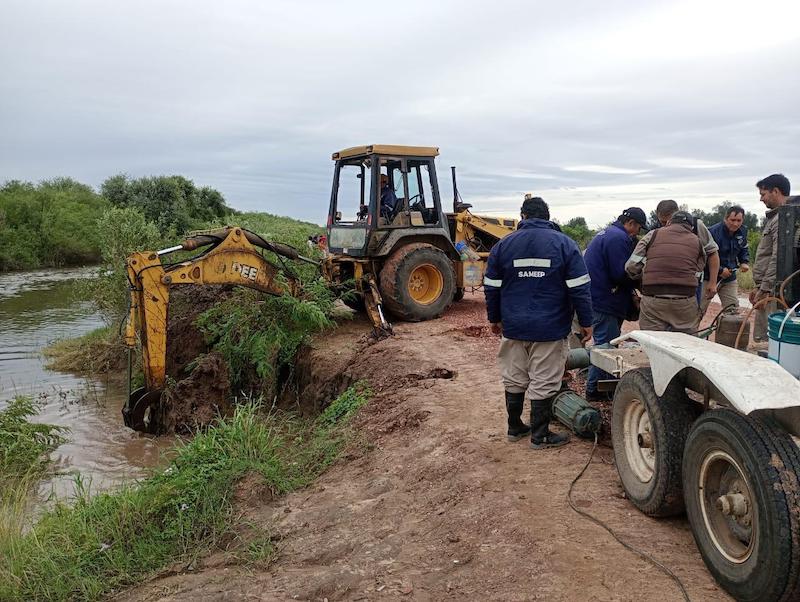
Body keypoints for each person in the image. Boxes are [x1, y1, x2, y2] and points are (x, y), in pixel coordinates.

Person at [484, 196, 593, 449]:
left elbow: (491, 287)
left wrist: (494, 318)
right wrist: (587, 322)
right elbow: (580, 288)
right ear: (547, 216)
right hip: (550, 327)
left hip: (513, 326)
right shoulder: (565, 244)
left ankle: (514, 427)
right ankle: (540, 435)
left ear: (522, 216)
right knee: (544, 380)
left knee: (514, 376)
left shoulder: (503, 245)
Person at [583, 207, 648, 401]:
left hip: (599, 296)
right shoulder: (618, 238)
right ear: (631, 224)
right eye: (638, 228)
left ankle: (598, 386)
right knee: (606, 347)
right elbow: (620, 273)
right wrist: (640, 284)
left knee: (605, 343)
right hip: (606, 300)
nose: (637, 233)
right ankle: (595, 390)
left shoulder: (608, 233)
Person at [625, 211, 707, 332]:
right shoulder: (698, 242)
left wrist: (643, 279)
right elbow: (698, 274)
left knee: (651, 339)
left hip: (653, 299)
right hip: (685, 302)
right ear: (691, 227)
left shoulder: (652, 235)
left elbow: (631, 267)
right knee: (684, 341)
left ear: (669, 222)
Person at [652, 200, 720, 308]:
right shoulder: (656, 229)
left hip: (691, 283)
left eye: (668, 221)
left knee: (690, 314)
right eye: (662, 222)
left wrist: (712, 282)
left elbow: (712, 253)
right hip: (663, 282)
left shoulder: (696, 226)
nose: (666, 226)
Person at [751, 174, 791, 341]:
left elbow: (778, 257)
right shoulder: (777, 217)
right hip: (769, 289)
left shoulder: (783, 219)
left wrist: (765, 289)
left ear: (775, 191)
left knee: (767, 341)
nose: (761, 199)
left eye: (763, 194)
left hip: (773, 292)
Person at [701, 206, 750, 317]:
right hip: (708, 277)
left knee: (732, 311)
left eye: (739, 220)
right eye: (732, 220)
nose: (736, 224)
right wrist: (720, 270)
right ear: (725, 219)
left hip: (729, 278)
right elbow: (704, 256)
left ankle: (729, 328)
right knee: (699, 309)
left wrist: (744, 261)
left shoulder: (743, 231)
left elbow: (744, 248)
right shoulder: (712, 232)